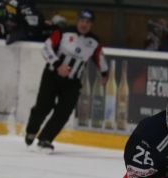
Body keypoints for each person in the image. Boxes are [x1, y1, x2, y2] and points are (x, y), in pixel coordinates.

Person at [25, 9, 107, 151]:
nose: (84, 24)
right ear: (77, 21)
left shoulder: (94, 41)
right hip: (52, 76)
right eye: (82, 21)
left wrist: (105, 74)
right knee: (43, 106)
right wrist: (58, 65)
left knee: (64, 112)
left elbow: (99, 57)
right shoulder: (63, 32)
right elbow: (46, 48)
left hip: (73, 82)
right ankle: (31, 130)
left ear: (91, 25)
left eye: (88, 22)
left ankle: (45, 139)